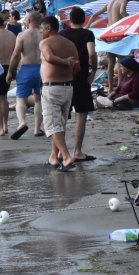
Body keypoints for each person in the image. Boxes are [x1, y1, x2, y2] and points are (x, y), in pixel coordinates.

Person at [39, 16, 80, 172]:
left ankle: (66, 156)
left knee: (53, 124)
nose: (41, 32)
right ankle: (54, 156)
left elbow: (49, 57)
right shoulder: (70, 44)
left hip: (52, 88)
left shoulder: (45, 43)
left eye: (42, 29)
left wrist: (64, 62)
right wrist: (68, 66)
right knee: (59, 124)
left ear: (49, 28)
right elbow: (77, 68)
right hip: (68, 87)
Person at [60, 6, 98, 162]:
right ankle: (77, 151)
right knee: (81, 115)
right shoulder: (88, 34)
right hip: (81, 78)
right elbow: (92, 53)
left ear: (69, 20)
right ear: (84, 20)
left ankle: (60, 152)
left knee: (61, 116)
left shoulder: (62, 34)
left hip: (64, 78)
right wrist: (93, 71)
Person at [5, 11, 44, 139]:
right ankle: (37, 129)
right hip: (42, 69)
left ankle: (22, 122)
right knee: (38, 100)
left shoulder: (22, 35)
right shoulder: (44, 35)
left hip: (26, 69)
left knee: (21, 99)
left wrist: (11, 71)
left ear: (29, 21)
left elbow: (16, 55)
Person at [87, 0, 132, 92]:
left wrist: (88, 26)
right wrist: (132, 20)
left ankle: (111, 89)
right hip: (118, 33)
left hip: (108, 34)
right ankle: (119, 88)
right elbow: (122, 12)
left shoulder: (110, 3)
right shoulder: (123, 0)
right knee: (121, 62)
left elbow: (94, 15)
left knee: (111, 62)